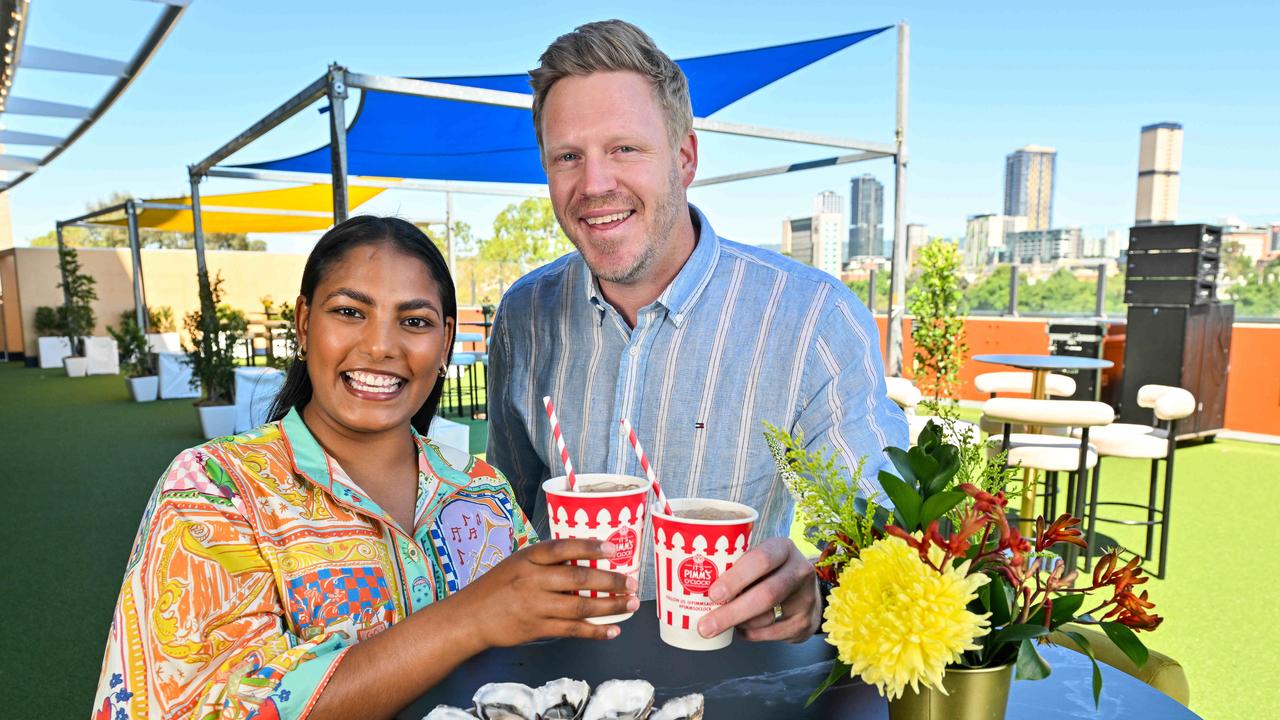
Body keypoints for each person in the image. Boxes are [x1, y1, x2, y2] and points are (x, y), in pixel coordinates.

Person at [92, 217, 635, 720]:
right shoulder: (214, 490)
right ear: (304, 324)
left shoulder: (480, 486)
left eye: (414, 321)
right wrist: (469, 617)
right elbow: (200, 706)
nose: (380, 345)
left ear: (445, 342)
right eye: (350, 312)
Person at [486, 20, 909, 645]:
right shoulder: (524, 316)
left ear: (685, 158)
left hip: (732, 677)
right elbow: (511, 507)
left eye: (625, 148)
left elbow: (885, 527)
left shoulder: (811, 318)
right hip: (555, 679)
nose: (594, 184)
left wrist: (819, 585)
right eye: (567, 156)